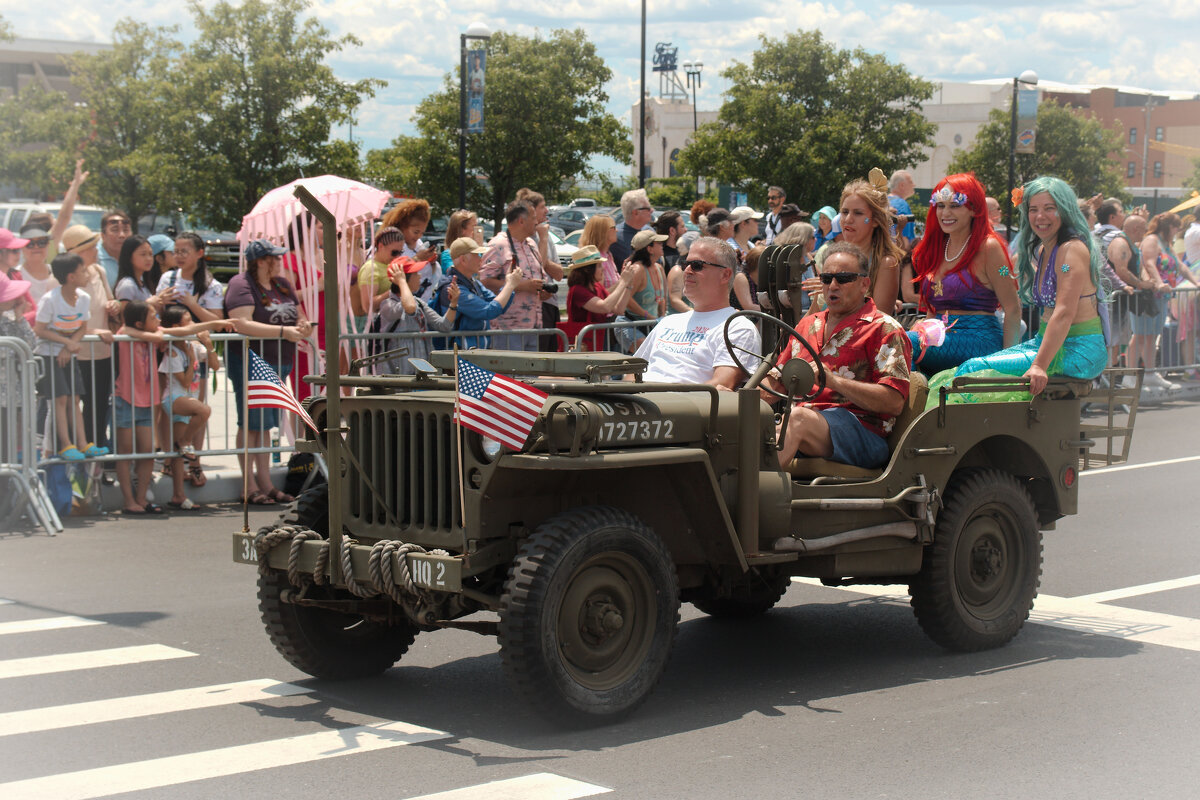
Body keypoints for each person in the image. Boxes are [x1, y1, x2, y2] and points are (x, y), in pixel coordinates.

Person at [931, 176, 1108, 401]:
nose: (1040, 216)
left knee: (972, 371)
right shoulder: (1045, 251)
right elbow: (1007, 274)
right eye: (1033, 209)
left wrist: (1039, 366)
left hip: (1079, 350)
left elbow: (1063, 313)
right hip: (1046, 344)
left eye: (1049, 208)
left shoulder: (1071, 251)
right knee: (960, 373)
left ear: (1064, 210)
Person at [763, 242, 912, 470]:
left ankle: (750, 496)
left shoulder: (883, 329)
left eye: (843, 279)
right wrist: (735, 399)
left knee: (797, 420)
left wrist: (832, 380)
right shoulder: (807, 324)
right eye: (826, 279)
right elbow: (776, 383)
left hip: (863, 433)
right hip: (802, 424)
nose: (833, 285)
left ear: (864, 284)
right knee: (742, 421)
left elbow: (893, 402)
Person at [224, 239, 312, 506]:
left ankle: (265, 483)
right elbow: (242, 323)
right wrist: (284, 332)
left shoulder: (282, 284)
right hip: (251, 360)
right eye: (274, 257)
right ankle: (247, 484)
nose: (279, 261)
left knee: (265, 424)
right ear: (260, 260)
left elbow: (297, 315)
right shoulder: (241, 283)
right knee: (249, 423)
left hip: (279, 360)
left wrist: (303, 326)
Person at [906, 174, 1021, 375]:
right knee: (890, 338)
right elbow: (934, 310)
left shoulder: (990, 248)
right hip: (939, 338)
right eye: (940, 205)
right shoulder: (938, 248)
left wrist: (1006, 366)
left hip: (980, 340)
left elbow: (1012, 309)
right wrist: (923, 327)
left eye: (955, 205)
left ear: (974, 209)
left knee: (903, 341)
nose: (945, 213)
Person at [632, 237, 760, 389]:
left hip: (680, 408)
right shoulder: (669, 321)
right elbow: (633, 371)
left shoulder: (737, 327)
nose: (686, 270)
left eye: (697, 265)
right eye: (685, 264)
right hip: (638, 405)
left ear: (725, 275)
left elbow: (722, 384)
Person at [33, 251, 112, 464]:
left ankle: (83, 442)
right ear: (71, 277)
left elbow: (82, 327)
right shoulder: (50, 299)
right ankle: (66, 444)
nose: (87, 274)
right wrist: (66, 343)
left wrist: (70, 346)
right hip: (49, 355)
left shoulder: (83, 298)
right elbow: (39, 329)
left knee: (75, 398)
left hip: (67, 354)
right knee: (59, 399)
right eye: (82, 271)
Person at [59, 225, 120, 460]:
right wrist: (94, 331)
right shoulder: (62, 281)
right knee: (72, 411)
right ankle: (74, 463)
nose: (95, 251)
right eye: (90, 247)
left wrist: (115, 307)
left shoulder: (99, 271)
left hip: (102, 354)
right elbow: (63, 322)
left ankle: (95, 465)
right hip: (76, 355)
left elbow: (110, 301)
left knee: (97, 410)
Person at [157, 305, 224, 510]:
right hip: (175, 398)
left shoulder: (193, 345)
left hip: (188, 400)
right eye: (189, 321)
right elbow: (185, 382)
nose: (194, 325)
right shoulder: (172, 351)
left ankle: (178, 495)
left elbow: (214, 366)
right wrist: (193, 357)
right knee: (204, 410)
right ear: (178, 326)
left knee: (178, 450)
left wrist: (208, 344)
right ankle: (187, 441)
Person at [815, 170, 903, 315]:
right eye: (844, 212)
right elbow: (813, 317)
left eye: (858, 213)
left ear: (875, 220)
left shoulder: (886, 262)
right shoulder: (833, 256)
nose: (848, 219)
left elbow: (879, 323)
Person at [479, 201, 555, 351]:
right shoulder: (498, 245)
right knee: (510, 374)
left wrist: (542, 291)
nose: (537, 221)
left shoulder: (531, 245)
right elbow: (485, 282)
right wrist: (522, 286)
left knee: (529, 374)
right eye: (533, 218)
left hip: (533, 326)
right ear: (521, 221)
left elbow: (541, 276)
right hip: (507, 328)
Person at [1110, 214, 1168, 390]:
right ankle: (1113, 379)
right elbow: (1121, 270)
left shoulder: (1133, 246)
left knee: (1123, 338)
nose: (1145, 232)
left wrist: (1148, 282)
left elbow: (1139, 268)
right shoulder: (1120, 243)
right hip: (1115, 300)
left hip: (1127, 299)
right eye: (1143, 229)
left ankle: (1127, 377)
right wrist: (1142, 284)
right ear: (1135, 229)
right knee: (1113, 341)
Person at [432, 237, 522, 349]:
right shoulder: (453, 287)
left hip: (473, 352)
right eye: (477, 255)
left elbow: (499, 306)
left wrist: (509, 285)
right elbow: (489, 311)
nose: (481, 259)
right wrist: (510, 285)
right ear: (463, 260)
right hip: (460, 355)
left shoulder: (473, 282)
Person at [376, 256, 460, 374]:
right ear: (405, 278)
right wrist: (401, 281)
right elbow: (409, 308)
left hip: (420, 370)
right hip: (396, 372)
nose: (420, 276)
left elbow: (444, 325)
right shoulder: (387, 305)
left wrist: (454, 303)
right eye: (415, 273)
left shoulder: (418, 302)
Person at [566, 246, 642, 351]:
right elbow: (605, 307)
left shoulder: (597, 287)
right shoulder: (577, 290)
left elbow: (618, 309)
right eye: (599, 266)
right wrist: (623, 281)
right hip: (582, 345)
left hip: (597, 341)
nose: (603, 268)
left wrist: (628, 285)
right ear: (589, 270)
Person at [613, 230, 667, 352]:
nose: (662, 244)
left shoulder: (659, 268)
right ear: (650, 249)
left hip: (650, 324)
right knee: (648, 354)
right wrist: (648, 316)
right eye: (658, 242)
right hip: (630, 323)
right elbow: (627, 300)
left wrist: (661, 317)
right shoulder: (637, 269)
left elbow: (662, 298)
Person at [380, 199, 439, 302]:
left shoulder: (418, 244)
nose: (419, 236)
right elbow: (392, 273)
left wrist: (431, 262)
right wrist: (417, 259)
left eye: (422, 233)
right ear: (403, 226)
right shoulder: (389, 245)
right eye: (416, 232)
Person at [114, 235, 171, 311]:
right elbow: (125, 317)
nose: (149, 259)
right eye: (143, 254)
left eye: (151, 254)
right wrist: (148, 303)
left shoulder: (143, 283)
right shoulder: (127, 285)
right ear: (129, 257)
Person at [611, 189, 653, 267]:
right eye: (648, 209)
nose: (652, 211)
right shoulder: (614, 237)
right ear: (635, 212)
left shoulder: (650, 231)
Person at [578, 213, 620, 289]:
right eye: (614, 227)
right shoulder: (594, 259)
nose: (617, 230)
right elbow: (598, 295)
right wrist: (623, 281)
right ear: (603, 232)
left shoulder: (609, 255)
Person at [97, 210, 132, 288]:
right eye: (115, 230)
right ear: (103, 236)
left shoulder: (136, 257)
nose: (122, 235)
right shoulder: (94, 259)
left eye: (126, 230)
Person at [888, 170, 917, 252]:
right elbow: (904, 240)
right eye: (911, 182)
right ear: (902, 185)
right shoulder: (901, 205)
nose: (914, 185)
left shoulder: (885, 202)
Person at [731, 244, 764, 313]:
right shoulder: (740, 277)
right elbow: (748, 307)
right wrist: (775, 313)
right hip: (739, 318)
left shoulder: (761, 279)